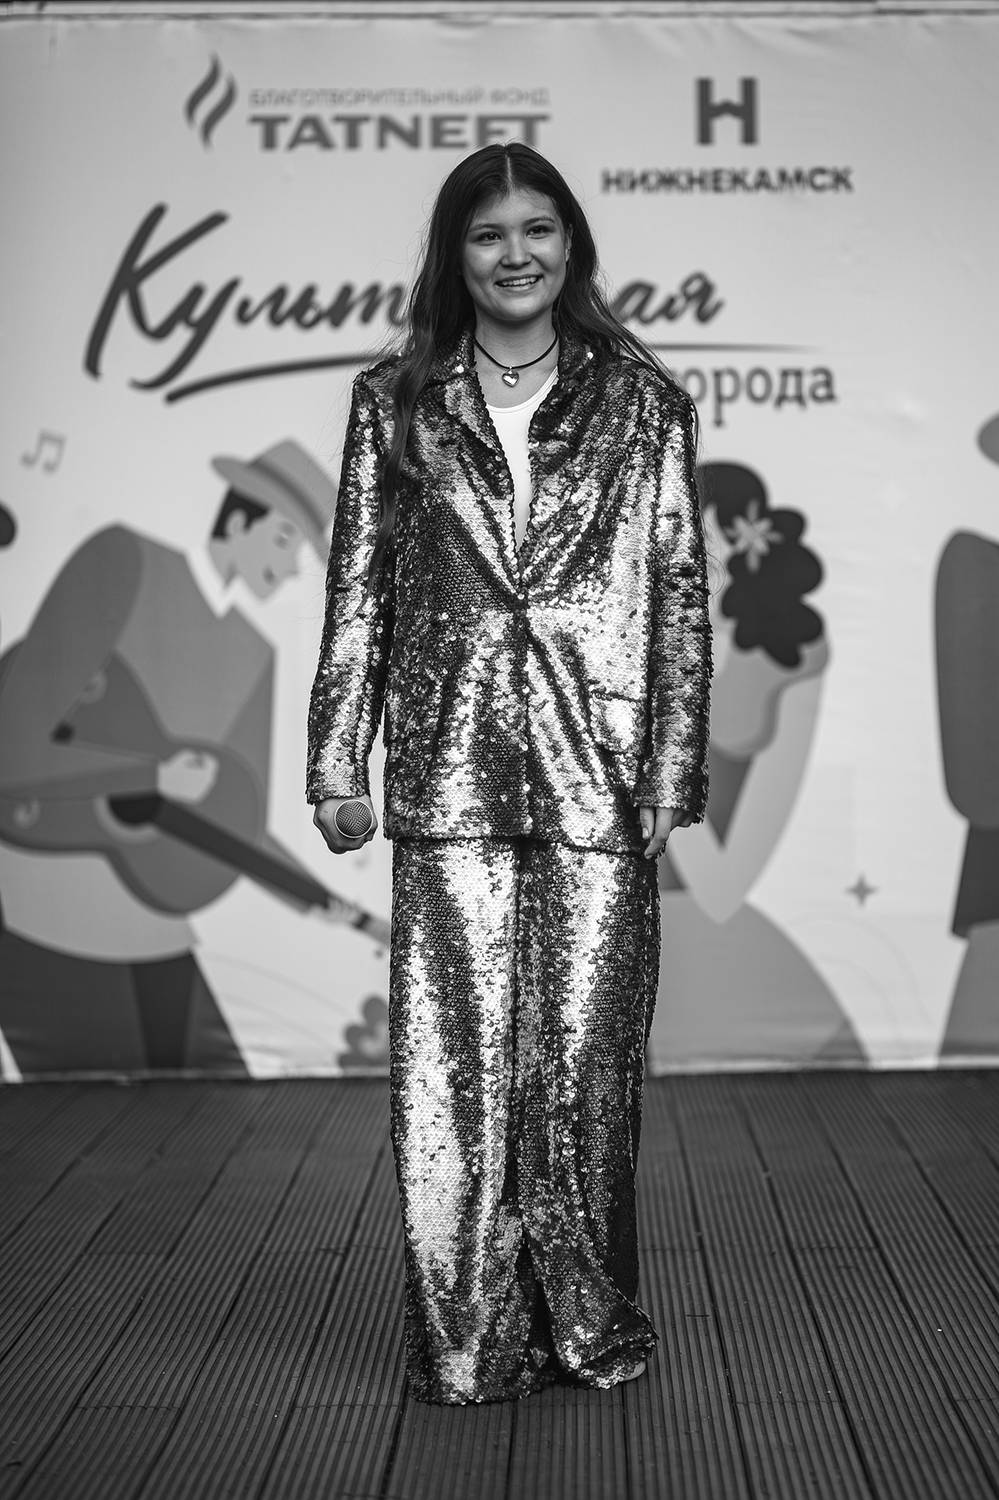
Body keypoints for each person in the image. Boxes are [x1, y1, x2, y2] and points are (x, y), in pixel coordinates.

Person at [306, 142, 712, 1405]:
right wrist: (336, 762)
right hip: (449, 768)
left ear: (571, 244)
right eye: (489, 234)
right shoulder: (396, 400)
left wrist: (672, 763)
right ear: (457, 254)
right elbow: (358, 591)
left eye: (539, 229)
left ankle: (583, 1320)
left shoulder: (643, 402)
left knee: (587, 1064)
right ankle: (470, 1339)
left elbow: (678, 590)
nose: (516, 253)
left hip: (600, 767)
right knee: (454, 1074)